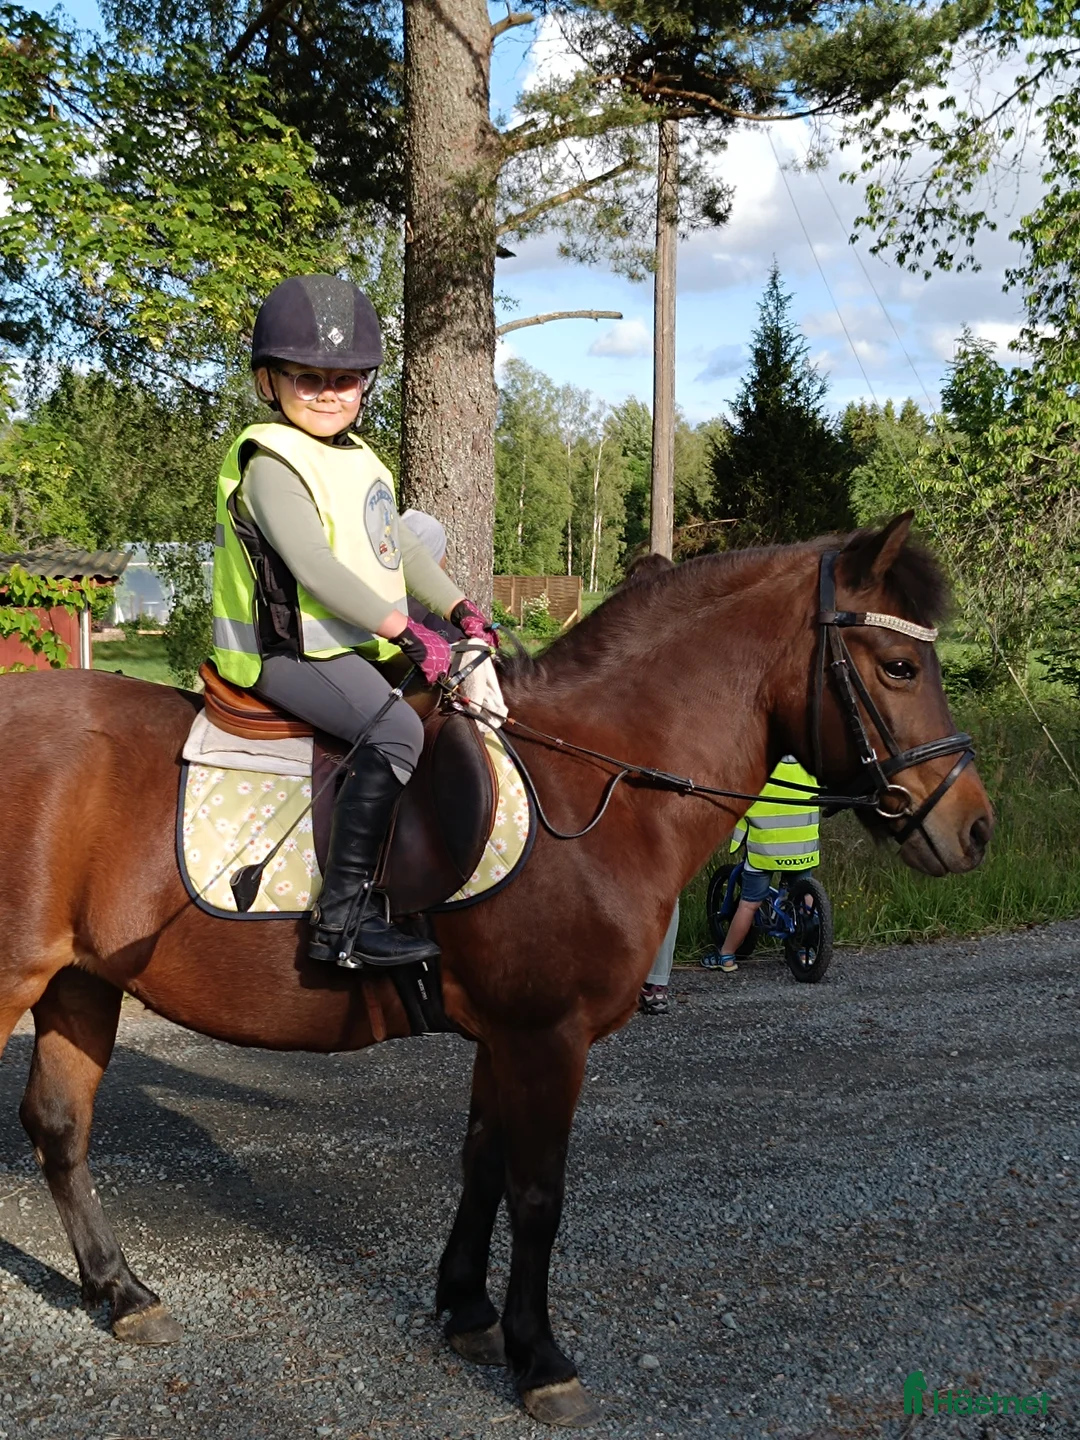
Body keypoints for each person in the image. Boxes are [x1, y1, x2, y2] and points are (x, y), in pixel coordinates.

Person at [211, 273, 498, 971]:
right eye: (307, 378)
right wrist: (409, 632)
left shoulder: (361, 460)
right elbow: (313, 566)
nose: (329, 392)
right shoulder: (269, 460)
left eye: (344, 379)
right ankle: (342, 922)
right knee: (395, 729)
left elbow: (393, 548)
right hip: (285, 652)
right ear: (267, 382)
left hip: (347, 642)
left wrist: (461, 611)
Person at [702, 756, 820, 973]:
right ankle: (805, 949)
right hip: (803, 844)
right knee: (805, 892)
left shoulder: (759, 763)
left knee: (749, 903)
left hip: (765, 847)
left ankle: (726, 956)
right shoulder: (809, 762)